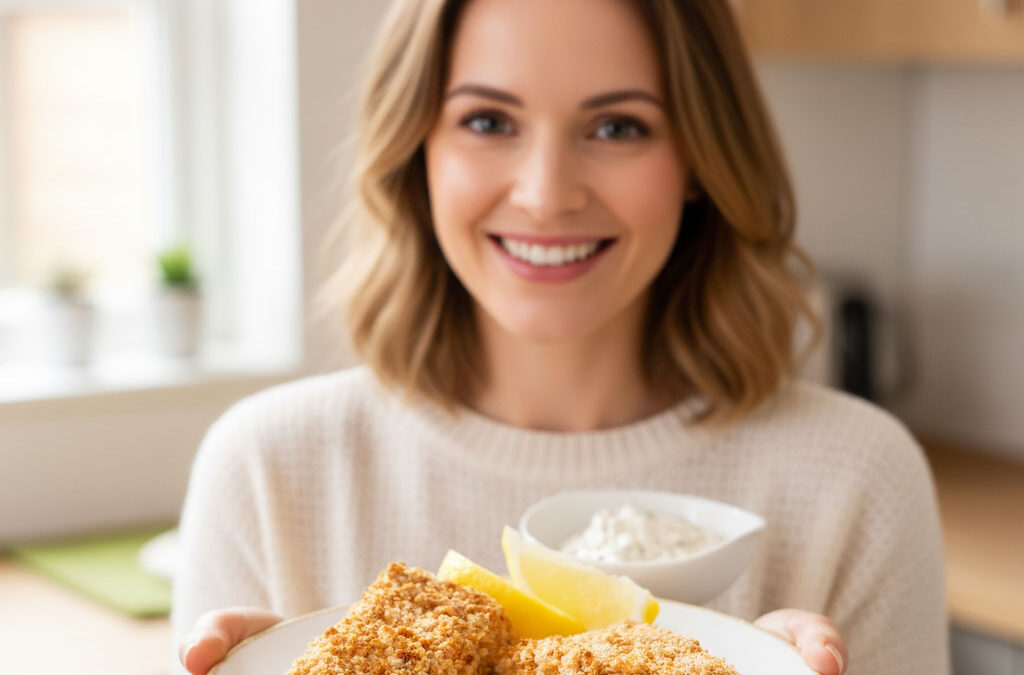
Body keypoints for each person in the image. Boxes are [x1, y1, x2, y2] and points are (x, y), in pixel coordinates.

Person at [172, 0, 950, 673]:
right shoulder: (266, 467)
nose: (546, 195)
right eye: (487, 121)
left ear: (699, 161)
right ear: (419, 151)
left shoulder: (859, 478)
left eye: (617, 126)